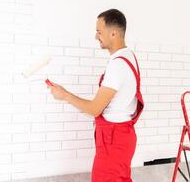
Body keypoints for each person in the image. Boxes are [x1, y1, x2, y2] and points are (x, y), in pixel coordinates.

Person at [47, 9, 144, 182]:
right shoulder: (128, 56)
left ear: (113, 32)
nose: (96, 36)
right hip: (121, 137)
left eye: (99, 31)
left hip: (113, 140)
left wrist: (65, 95)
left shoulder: (117, 65)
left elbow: (94, 109)